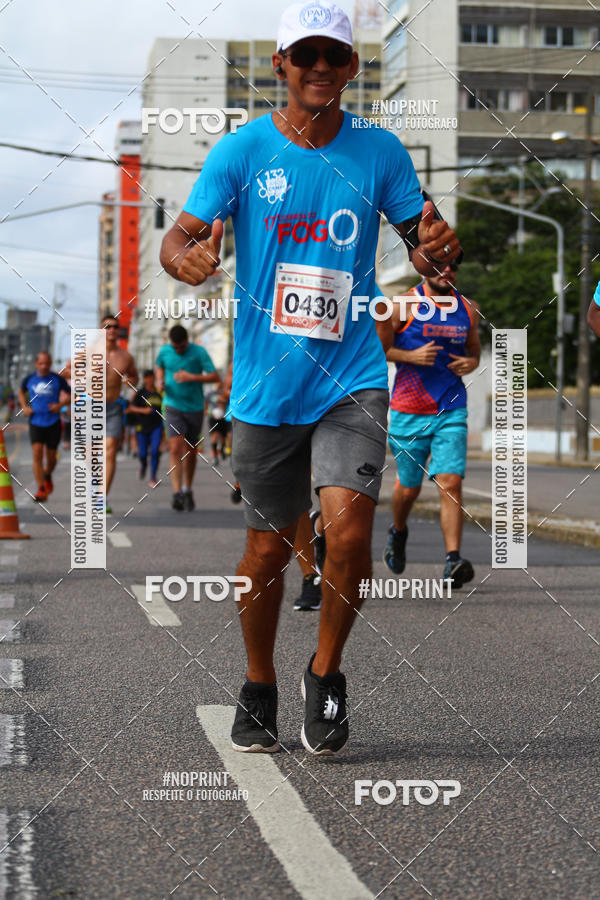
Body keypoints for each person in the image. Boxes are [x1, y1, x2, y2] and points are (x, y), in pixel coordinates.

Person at [159, 0, 460, 755]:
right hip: (267, 385)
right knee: (265, 551)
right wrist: (183, 259)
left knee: (349, 533)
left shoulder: (382, 152)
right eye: (306, 56)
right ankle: (259, 680)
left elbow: (420, 246)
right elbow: (179, 238)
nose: (321, 68)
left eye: (335, 56)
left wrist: (436, 250)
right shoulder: (242, 152)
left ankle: (325, 673)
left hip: (353, 375)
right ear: (281, 67)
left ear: (353, 68)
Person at [384, 260, 480, 588]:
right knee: (408, 489)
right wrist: (409, 356)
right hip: (408, 410)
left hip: (451, 407)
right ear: (425, 268)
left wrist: (472, 362)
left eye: (453, 265)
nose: (447, 271)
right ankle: (398, 530)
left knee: (450, 482)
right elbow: (377, 348)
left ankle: (453, 560)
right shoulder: (402, 304)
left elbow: (474, 350)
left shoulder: (467, 309)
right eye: (439, 265)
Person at [155, 324, 220, 511]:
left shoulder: (199, 352)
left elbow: (215, 377)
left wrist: (191, 377)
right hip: (172, 405)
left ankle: (187, 488)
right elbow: (159, 366)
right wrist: (160, 380)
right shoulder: (164, 351)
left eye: (181, 347)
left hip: (195, 407)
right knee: (175, 448)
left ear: (187, 341)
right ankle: (177, 493)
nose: (178, 350)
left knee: (191, 451)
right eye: (175, 347)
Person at [18, 351, 70, 501]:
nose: (44, 366)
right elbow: (21, 391)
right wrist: (24, 406)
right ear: (36, 364)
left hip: (53, 421)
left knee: (52, 458)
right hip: (35, 421)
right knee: (37, 454)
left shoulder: (57, 379)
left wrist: (60, 405)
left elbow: (72, 395)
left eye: (47, 363)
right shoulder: (29, 379)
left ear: (50, 363)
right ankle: (41, 489)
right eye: (41, 363)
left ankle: (47, 475)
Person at [102, 315, 138, 515]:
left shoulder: (126, 357)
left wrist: (129, 380)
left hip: (114, 407)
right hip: (91, 406)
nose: (112, 330)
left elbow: (135, 376)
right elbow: (68, 370)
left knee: (110, 450)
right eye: (108, 327)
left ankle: (102, 498)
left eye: (115, 327)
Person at [127, 370, 164, 487]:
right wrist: (144, 411)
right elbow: (131, 408)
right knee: (142, 454)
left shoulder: (159, 393)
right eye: (147, 377)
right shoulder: (140, 393)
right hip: (142, 426)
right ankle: (143, 466)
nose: (150, 380)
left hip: (157, 426)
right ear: (144, 379)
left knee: (155, 451)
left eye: (152, 377)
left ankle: (153, 477)